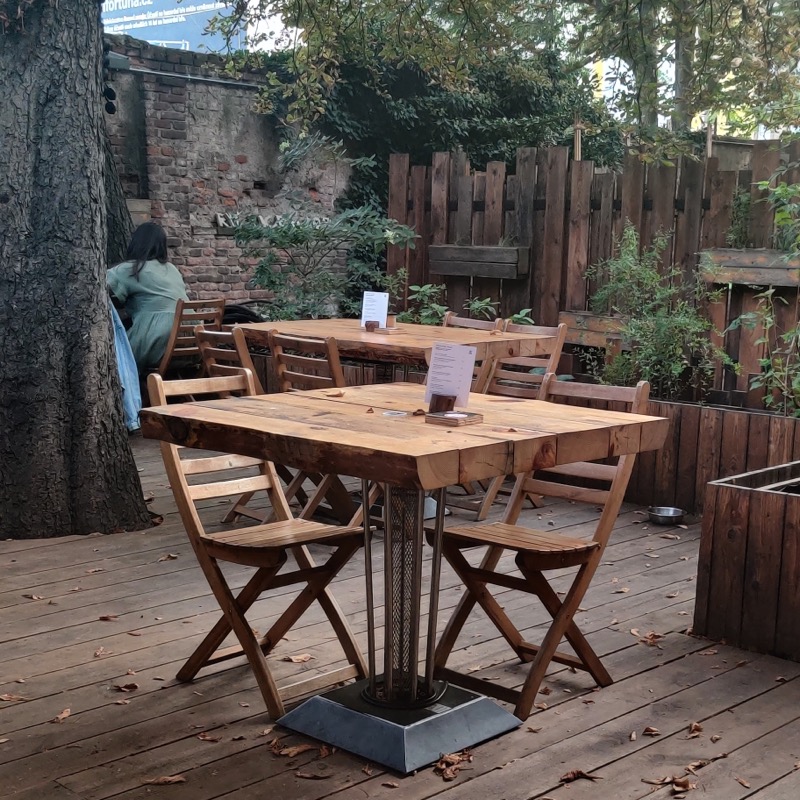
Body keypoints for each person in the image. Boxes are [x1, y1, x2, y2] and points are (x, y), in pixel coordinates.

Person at [107, 222, 189, 373]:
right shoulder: (172, 269)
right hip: (192, 344)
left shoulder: (131, 269)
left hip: (155, 342)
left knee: (110, 354)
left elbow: (98, 287)